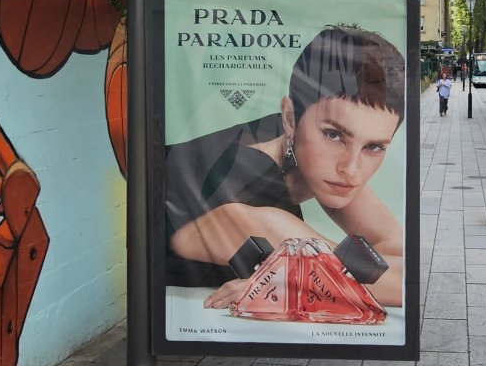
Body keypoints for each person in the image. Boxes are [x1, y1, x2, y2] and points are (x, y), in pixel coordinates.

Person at [164, 25, 405, 308]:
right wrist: (304, 280)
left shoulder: (295, 142)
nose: (351, 169)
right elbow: (399, 284)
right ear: (290, 117)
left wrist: (296, 278)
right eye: (334, 135)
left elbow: (396, 249)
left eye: (373, 147)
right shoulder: (245, 184)